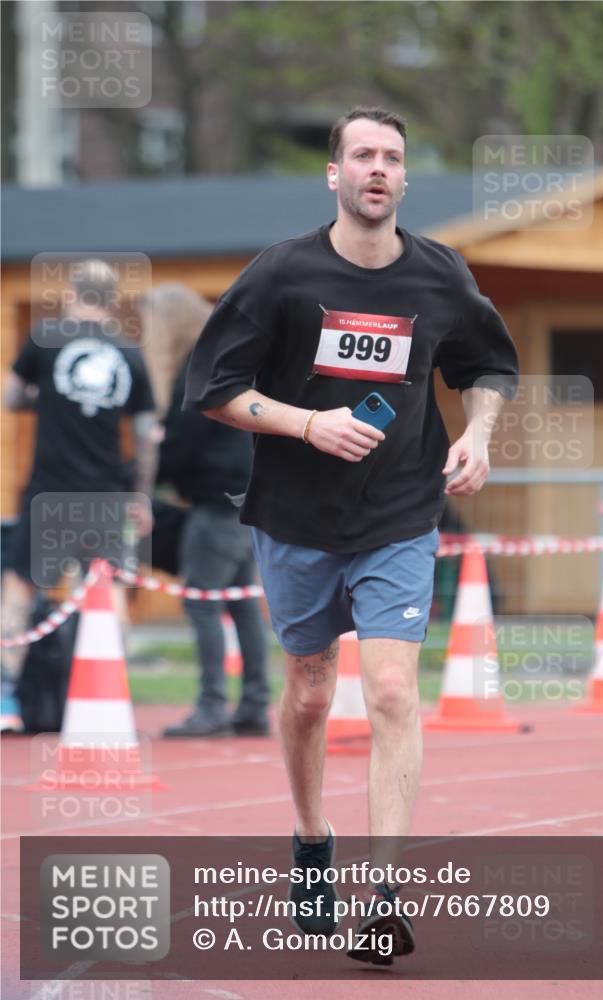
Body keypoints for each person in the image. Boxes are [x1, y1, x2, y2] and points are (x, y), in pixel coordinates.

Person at [183, 106, 519, 963]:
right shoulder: (282, 274)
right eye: (361, 155)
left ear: (404, 179)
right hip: (295, 519)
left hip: (400, 513)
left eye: (392, 157)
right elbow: (213, 387)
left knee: (393, 692)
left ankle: (384, 897)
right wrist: (306, 424)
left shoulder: (440, 275)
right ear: (332, 175)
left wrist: (477, 432)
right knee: (306, 691)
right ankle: (309, 839)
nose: (377, 168)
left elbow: (485, 364)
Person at [2, 259, 157, 713]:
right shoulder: (130, 353)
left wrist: (45, 397)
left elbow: (11, 397)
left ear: (71, 294)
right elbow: (147, 434)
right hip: (107, 493)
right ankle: (111, 695)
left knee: (19, 588)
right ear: (111, 302)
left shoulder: (45, 337)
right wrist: (141, 496)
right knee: (107, 592)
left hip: (49, 488)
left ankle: (10, 697)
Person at [140, 285, 270, 738]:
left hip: (215, 504)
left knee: (202, 602)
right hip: (245, 501)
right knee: (241, 603)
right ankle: (254, 705)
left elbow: (181, 444)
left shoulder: (200, 368)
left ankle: (212, 706)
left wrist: (150, 472)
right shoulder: (231, 360)